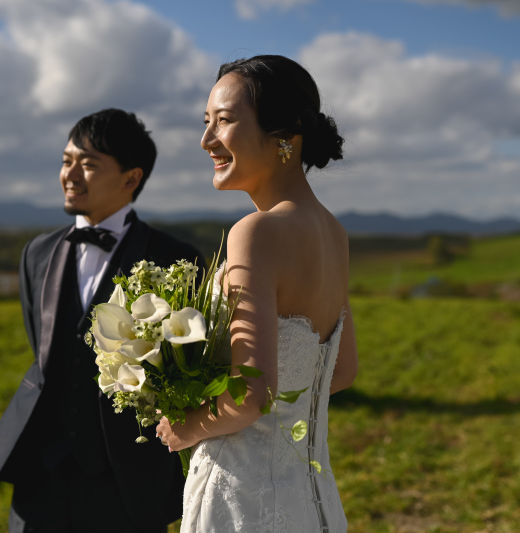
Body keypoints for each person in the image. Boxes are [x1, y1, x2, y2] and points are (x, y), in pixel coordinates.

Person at [156, 55, 359, 532]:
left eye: (224, 121)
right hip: (314, 500)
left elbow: (250, 398)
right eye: (206, 123)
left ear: (283, 136)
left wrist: (185, 425)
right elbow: (342, 371)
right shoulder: (334, 234)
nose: (207, 140)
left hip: (243, 503)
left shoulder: (256, 234)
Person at [0, 108, 201, 532]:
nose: (71, 174)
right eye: (67, 161)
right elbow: (43, 351)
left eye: (88, 164)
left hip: (128, 478)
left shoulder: (175, 258)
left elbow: (184, 369)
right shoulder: (37, 253)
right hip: (39, 471)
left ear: (131, 178)